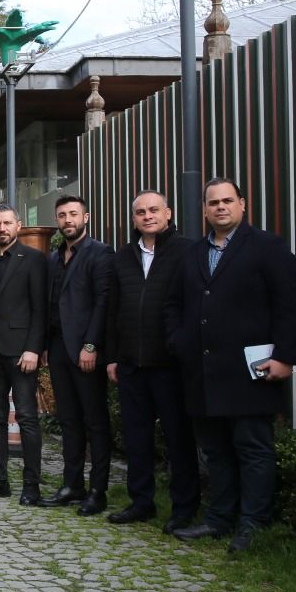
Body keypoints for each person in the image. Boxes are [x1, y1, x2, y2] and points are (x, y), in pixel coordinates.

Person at [166, 178, 296, 554]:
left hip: (251, 371)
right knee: (215, 451)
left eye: (228, 200)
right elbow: (175, 304)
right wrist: (177, 340)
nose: (220, 207)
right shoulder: (193, 253)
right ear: (205, 210)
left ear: (242, 204)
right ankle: (218, 519)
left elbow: (288, 307)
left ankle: (253, 525)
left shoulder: (268, 247)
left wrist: (285, 357)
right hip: (203, 372)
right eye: (213, 202)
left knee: (253, 449)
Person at [106, 191, 198, 530]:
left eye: (154, 210)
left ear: (168, 213)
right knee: (136, 438)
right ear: (134, 219)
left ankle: (184, 507)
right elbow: (113, 310)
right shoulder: (124, 256)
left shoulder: (187, 252)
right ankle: (141, 502)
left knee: (178, 439)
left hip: (170, 365)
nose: (147, 216)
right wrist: (112, 357)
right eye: (140, 212)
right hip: (131, 364)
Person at [0, 204, 48, 506]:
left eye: (7, 223)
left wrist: (33, 348)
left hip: (21, 352)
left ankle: (32, 485)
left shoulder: (34, 260)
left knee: (27, 417)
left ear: (18, 225)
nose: (1, 228)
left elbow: (39, 308)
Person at [44, 195, 115, 515]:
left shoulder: (100, 254)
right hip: (58, 349)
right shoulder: (54, 257)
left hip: (85, 350)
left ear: (86, 217)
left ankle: (98, 490)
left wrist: (92, 346)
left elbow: (104, 303)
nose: (67, 220)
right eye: (62, 215)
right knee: (69, 420)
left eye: (73, 214)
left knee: (95, 422)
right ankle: (73, 484)